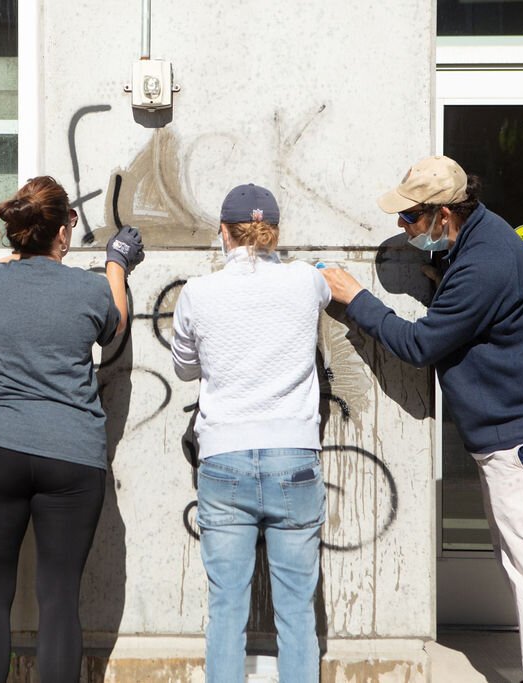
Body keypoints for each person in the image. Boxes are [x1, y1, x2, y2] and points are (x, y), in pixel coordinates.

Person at [321, 155, 523, 683]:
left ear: (444, 214)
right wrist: (444, 279)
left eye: (412, 218)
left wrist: (358, 300)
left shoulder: (484, 261)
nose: (403, 227)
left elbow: (421, 345)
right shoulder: (482, 241)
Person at [0, 176, 144, 682]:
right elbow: (117, 324)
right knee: (60, 599)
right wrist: (116, 263)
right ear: (64, 229)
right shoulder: (90, 288)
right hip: (70, 454)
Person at [171, 183, 330, 683]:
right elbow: (328, 284)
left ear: (223, 233)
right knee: (297, 612)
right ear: (275, 233)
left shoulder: (198, 292)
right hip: (295, 459)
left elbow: (184, 368)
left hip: (224, 460)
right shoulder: (307, 282)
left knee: (226, 610)